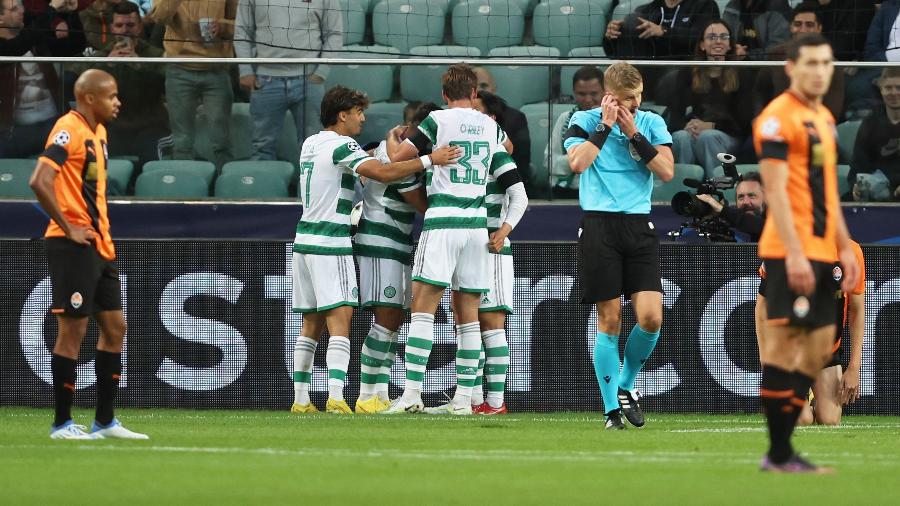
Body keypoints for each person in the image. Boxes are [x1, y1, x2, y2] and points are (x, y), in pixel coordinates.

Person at [289, 86, 459, 415]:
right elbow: (385, 174)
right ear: (342, 115)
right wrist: (429, 160)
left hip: (307, 238)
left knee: (314, 323)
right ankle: (348, 396)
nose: (362, 119)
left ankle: (305, 399)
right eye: (358, 113)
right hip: (341, 240)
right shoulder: (345, 145)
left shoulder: (311, 142)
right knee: (347, 319)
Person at [753, 33, 859, 473]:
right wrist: (794, 253)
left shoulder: (824, 118)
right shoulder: (778, 118)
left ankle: (781, 451)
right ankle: (779, 452)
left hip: (822, 250)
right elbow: (775, 191)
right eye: (811, 63)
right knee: (785, 351)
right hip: (787, 251)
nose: (820, 71)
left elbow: (828, 192)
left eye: (826, 63)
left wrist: (845, 246)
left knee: (817, 349)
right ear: (791, 68)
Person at [28, 69, 147, 440]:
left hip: (100, 245)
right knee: (73, 331)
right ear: (90, 98)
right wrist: (68, 226)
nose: (118, 102)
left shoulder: (99, 132)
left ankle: (105, 422)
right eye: (112, 96)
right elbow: (39, 181)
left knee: (115, 328)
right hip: (72, 245)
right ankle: (62, 423)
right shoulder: (70, 129)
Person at [383, 64, 508, 415]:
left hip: (442, 222)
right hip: (476, 226)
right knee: (468, 314)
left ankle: (410, 396)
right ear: (474, 94)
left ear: (444, 95)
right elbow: (506, 150)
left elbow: (399, 161)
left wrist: (404, 146)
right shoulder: (491, 125)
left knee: (423, 308)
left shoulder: (437, 121)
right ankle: (464, 401)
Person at [563, 62, 675, 430]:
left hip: (638, 224)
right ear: (609, 96)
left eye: (638, 97)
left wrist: (633, 135)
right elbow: (577, 163)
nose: (635, 104)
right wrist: (606, 126)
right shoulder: (583, 120)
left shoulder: (650, 123)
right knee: (609, 320)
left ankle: (626, 385)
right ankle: (612, 410)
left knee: (651, 317)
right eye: (627, 99)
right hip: (598, 224)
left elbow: (666, 172)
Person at [353, 101, 440, 414]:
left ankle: (380, 393)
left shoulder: (392, 151)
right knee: (387, 319)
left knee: (393, 320)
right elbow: (424, 205)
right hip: (381, 240)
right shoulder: (398, 160)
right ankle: (366, 395)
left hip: (396, 241)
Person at [454, 89, 528, 415]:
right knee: (468, 323)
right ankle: (471, 401)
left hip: (492, 246)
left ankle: (496, 402)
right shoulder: (464, 157)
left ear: (492, 121)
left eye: (477, 112)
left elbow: (520, 197)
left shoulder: (499, 157)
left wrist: (504, 231)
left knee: (491, 323)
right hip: (466, 245)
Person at [756, 240, 865, 427]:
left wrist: (854, 367)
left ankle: (813, 397)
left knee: (830, 421)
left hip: (827, 351)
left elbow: (857, 310)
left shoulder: (851, 251)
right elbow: (762, 308)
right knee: (801, 420)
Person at [235, 0, 343, 161]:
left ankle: (307, 186)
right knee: (262, 147)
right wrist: (245, 70)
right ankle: (266, 185)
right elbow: (242, 32)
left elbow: (334, 33)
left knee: (313, 149)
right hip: (266, 81)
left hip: (309, 81)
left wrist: (321, 72)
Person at [149, 0, 237, 169]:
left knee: (221, 139)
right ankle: (185, 186)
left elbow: (240, 24)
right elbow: (159, 17)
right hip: (179, 68)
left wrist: (222, 27)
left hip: (216, 69)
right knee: (182, 140)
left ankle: (226, 185)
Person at [669, 20, 755, 177]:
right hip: (695, 132)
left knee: (708, 137)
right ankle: (684, 194)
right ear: (702, 44)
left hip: (729, 135)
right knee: (680, 137)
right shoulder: (687, 73)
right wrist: (688, 126)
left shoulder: (743, 73)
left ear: (730, 44)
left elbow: (744, 123)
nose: (718, 41)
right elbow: (675, 114)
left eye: (723, 37)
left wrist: (713, 126)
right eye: (711, 37)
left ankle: (717, 190)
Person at [94, 1, 168, 177]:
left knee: (151, 152)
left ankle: (152, 193)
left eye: (130, 25)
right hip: (116, 127)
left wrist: (141, 66)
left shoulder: (154, 54)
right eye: (119, 25)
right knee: (94, 150)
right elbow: (84, 82)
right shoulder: (104, 55)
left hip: (152, 125)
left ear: (140, 27)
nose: (125, 30)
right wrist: (107, 66)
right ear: (112, 28)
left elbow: (169, 81)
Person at [0, 0, 80, 158]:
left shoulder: (36, 43)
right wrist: (52, 9)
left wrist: (72, 13)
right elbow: (16, 47)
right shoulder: (12, 45)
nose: (22, 11)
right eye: (14, 9)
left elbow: (75, 46)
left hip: (52, 125)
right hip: (13, 133)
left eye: (21, 6)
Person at [753, 2, 845, 121]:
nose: (802, 29)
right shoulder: (776, 55)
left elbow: (833, 111)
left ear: (819, 28)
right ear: (791, 27)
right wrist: (761, 118)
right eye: (797, 24)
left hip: (813, 129)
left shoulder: (832, 65)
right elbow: (760, 92)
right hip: (776, 125)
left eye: (809, 25)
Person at [548, 65, 604, 196]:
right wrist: (581, 158)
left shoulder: (617, 121)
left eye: (594, 93)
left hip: (603, 191)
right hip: (568, 190)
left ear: (605, 91)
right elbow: (550, 162)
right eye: (582, 94)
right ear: (574, 92)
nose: (588, 99)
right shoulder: (565, 119)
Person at [473, 66, 531, 185]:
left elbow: (521, 164)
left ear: (494, 89)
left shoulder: (515, 118)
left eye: (483, 86)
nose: (479, 90)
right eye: (474, 87)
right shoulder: (456, 117)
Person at [603, 0, 720, 60]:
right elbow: (613, 53)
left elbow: (703, 38)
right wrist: (611, 37)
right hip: (651, 67)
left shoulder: (705, 5)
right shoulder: (648, 10)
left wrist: (663, 32)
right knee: (631, 21)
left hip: (686, 66)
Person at [850, 68, 900, 201]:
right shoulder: (870, 123)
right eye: (888, 87)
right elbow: (858, 165)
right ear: (881, 89)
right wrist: (856, 187)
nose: (894, 92)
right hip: (877, 193)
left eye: (898, 88)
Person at [721, 0, 791, 60]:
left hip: (767, 69)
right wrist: (734, 50)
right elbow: (725, 40)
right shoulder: (732, 6)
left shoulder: (777, 5)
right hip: (737, 67)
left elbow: (777, 51)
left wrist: (746, 55)